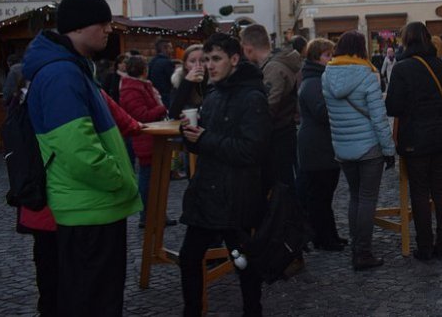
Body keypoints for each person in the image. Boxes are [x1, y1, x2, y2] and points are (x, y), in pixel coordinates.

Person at [23, 0, 141, 316]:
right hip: (89, 205)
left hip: (90, 205)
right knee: (92, 302)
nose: (108, 30)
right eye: (102, 23)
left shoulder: (72, 69)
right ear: (77, 27)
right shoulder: (62, 73)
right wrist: (118, 179)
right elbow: (78, 149)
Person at [179, 33, 271, 317]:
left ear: (234, 59)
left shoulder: (252, 96)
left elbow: (251, 151)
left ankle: (252, 311)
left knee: (243, 260)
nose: (209, 65)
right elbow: (202, 144)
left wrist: (204, 139)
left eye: (216, 59)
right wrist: (189, 134)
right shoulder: (214, 93)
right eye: (206, 60)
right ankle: (192, 311)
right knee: (189, 257)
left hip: (237, 195)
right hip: (208, 193)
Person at [321, 30, 395, 271]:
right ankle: (363, 252)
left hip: (343, 147)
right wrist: (389, 149)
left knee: (355, 197)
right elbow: (378, 117)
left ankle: (356, 245)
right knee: (367, 199)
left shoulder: (327, 74)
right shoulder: (367, 74)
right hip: (369, 148)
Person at [385, 22, 442, 262]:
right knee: (441, 189)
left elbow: (393, 106)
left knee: (420, 192)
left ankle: (425, 246)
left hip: (415, 138)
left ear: (406, 41)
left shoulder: (402, 69)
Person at [297, 38, 346, 251]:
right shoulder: (313, 82)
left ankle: (329, 235)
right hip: (316, 147)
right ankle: (324, 239)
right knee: (320, 196)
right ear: (317, 57)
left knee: (324, 195)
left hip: (322, 144)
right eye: (328, 55)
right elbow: (322, 112)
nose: (331, 59)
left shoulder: (318, 78)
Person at [241, 23, 303, 189]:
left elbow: (268, 107)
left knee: (281, 189)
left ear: (247, 48)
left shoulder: (273, 69)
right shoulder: (277, 63)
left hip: (278, 136)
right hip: (283, 132)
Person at [118, 55, 172, 228]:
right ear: (144, 70)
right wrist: (163, 108)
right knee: (148, 179)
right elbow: (141, 115)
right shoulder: (131, 90)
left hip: (152, 137)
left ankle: (158, 214)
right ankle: (147, 216)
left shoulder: (141, 86)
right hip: (145, 138)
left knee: (156, 179)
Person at [168, 44, 207, 119]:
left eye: (202, 61)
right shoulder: (178, 82)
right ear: (185, 65)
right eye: (192, 61)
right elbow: (172, 114)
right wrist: (187, 82)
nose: (198, 65)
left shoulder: (213, 82)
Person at [148, 39, 176, 104]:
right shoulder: (167, 63)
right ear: (164, 49)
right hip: (166, 96)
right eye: (170, 48)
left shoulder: (152, 62)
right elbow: (173, 80)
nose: (172, 50)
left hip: (154, 96)